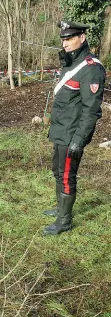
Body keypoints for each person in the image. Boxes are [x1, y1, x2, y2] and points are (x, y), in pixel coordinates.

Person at [43, 20, 106, 235]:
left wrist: (80, 140)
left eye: (69, 38)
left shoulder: (91, 69)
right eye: (63, 39)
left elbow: (91, 110)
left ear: (82, 38)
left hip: (72, 134)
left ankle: (65, 221)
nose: (65, 43)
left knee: (67, 175)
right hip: (61, 129)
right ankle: (61, 208)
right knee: (58, 171)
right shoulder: (70, 63)